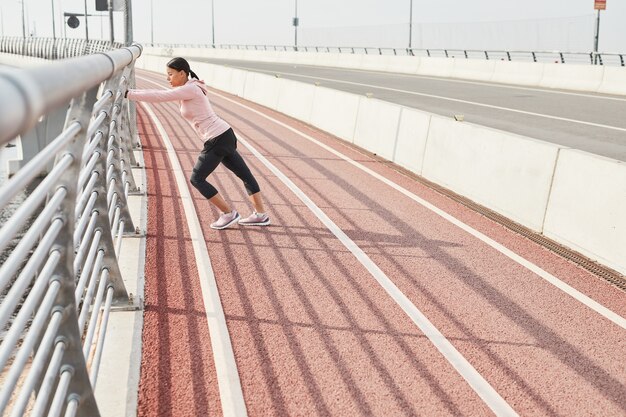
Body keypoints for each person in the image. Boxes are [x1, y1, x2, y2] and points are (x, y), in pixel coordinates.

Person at [126, 57, 270, 230]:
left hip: (216, 138)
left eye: (170, 74)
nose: (168, 78)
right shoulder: (192, 87)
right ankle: (261, 215)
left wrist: (129, 94)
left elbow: (160, 95)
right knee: (244, 174)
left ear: (182, 73)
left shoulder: (191, 89)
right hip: (225, 135)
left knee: (197, 179)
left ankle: (228, 213)